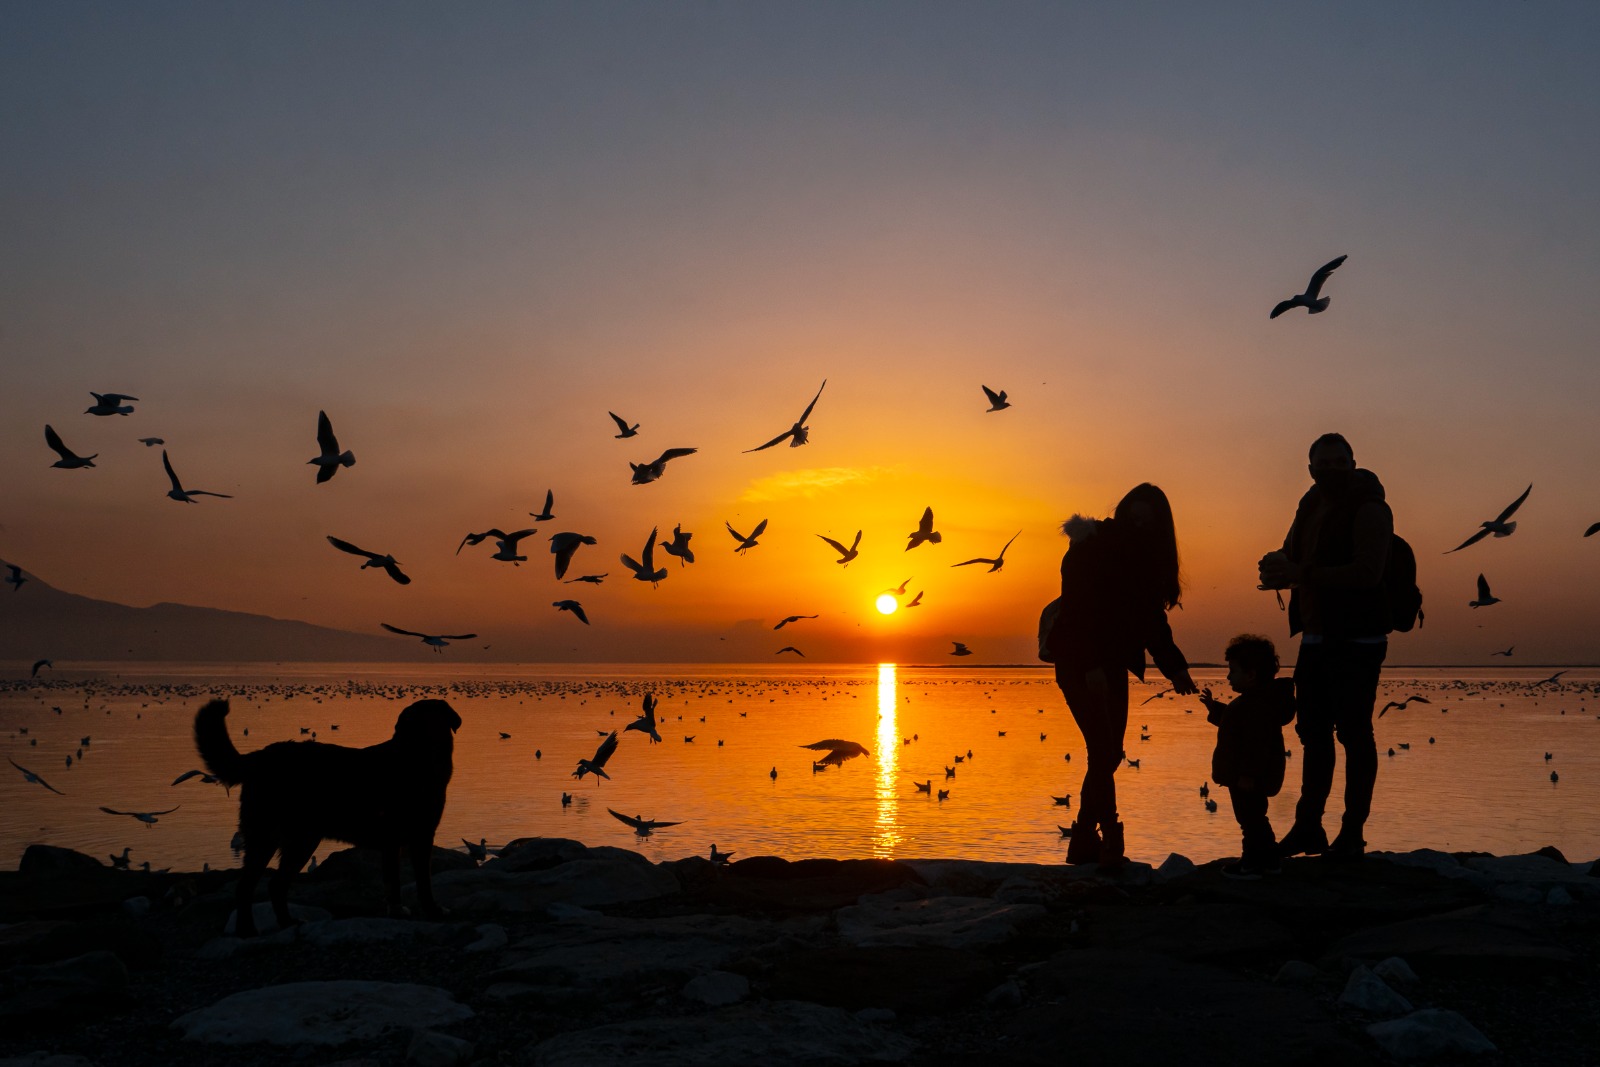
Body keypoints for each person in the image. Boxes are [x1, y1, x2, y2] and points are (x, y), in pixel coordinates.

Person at [1046, 483, 1197, 867]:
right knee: (1104, 751)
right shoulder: (1092, 544)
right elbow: (1077, 608)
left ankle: (1084, 840)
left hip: (1113, 665)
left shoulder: (1147, 559)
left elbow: (1151, 621)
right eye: (1134, 516)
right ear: (1123, 511)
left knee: (1108, 755)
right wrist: (1092, 664)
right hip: (1081, 662)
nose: (1139, 525)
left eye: (1148, 521)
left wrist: (1175, 667)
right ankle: (1107, 839)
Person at [1259, 433, 1392, 861]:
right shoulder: (1309, 505)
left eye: (1340, 462)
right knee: (1313, 735)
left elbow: (1368, 573)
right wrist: (1278, 565)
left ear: (1353, 464)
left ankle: (1352, 833)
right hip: (1315, 637)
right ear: (1310, 468)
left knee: (1354, 734)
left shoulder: (1371, 508)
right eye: (1323, 463)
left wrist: (1301, 572)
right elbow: (1294, 554)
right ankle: (1307, 827)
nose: (1331, 469)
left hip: (1357, 639)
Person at [1200, 634, 1296, 879]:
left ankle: (1253, 863)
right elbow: (1237, 727)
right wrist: (1216, 709)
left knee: (1250, 820)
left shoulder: (1254, 706)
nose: (1228, 676)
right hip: (1245, 775)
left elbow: (1256, 744)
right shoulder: (1253, 703)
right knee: (1253, 818)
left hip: (1248, 777)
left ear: (1251, 674)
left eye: (1232, 670)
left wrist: (1247, 774)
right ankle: (1268, 860)